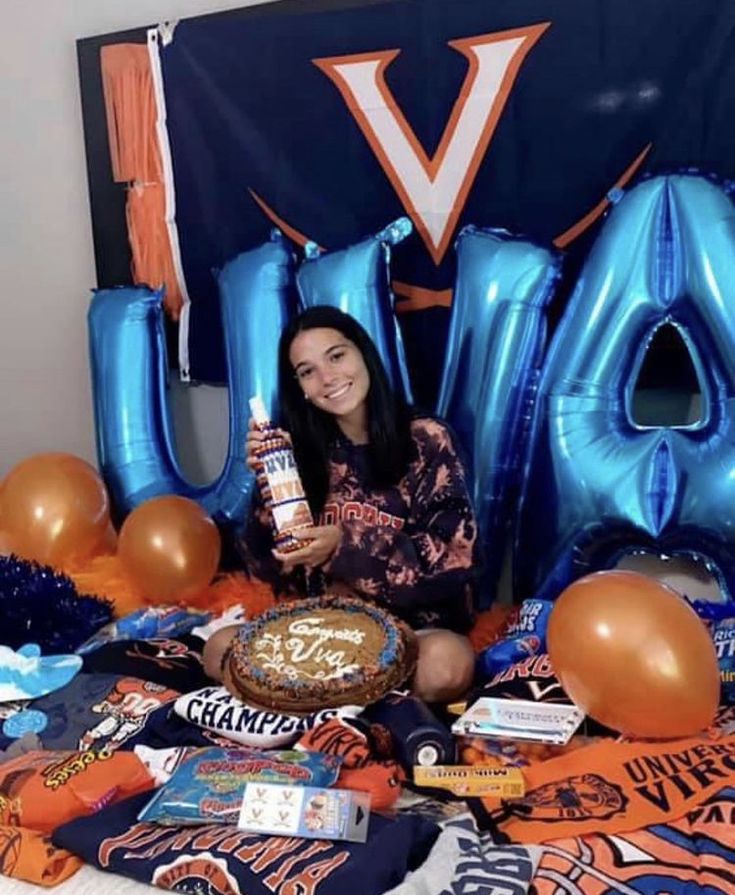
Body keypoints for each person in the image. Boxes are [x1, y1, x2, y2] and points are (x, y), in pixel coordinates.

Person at [203, 306, 479, 702]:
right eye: (307, 370)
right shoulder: (295, 447)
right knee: (219, 650)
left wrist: (346, 545)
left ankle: (316, 705)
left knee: (446, 667)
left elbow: (455, 561)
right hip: (320, 636)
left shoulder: (426, 439)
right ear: (298, 386)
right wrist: (268, 489)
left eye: (336, 356)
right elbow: (265, 567)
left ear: (363, 354)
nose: (328, 378)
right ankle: (350, 704)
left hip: (409, 634)